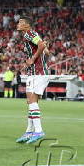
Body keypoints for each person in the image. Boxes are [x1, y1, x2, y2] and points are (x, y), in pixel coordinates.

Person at [15, 16, 50, 144]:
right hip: (34, 73)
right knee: (30, 102)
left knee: (32, 102)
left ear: (27, 25)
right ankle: (29, 131)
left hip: (38, 73)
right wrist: (37, 55)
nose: (18, 24)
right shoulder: (28, 36)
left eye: (21, 22)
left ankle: (39, 131)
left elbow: (41, 45)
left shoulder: (30, 33)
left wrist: (33, 59)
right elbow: (47, 51)